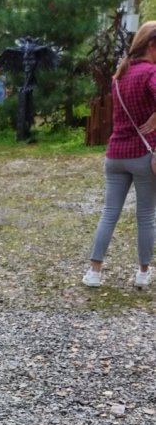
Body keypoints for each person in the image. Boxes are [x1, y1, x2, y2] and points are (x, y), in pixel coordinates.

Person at [83, 20, 156, 290]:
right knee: (146, 215)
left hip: (115, 155)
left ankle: (94, 272)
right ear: (152, 45)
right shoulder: (151, 72)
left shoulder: (120, 73)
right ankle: (143, 273)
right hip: (143, 155)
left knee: (109, 213)